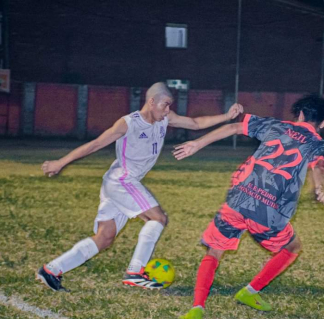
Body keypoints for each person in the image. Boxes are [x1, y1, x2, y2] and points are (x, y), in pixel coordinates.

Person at [36, 82, 243, 291]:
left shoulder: (165, 119)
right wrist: (60, 163)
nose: (168, 110)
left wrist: (226, 116)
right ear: (151, 102)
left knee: (105, 237)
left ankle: (52, 269)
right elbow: (96, 144)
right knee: (158, 218)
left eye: (170, 106)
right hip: (122, 180)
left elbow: (196, 123)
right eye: (165, 104)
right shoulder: (128, 123)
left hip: (118, 182)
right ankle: (135, 272)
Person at [173, 94, 324, 319]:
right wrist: (320, 188)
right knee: (292, 247)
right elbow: (320, 166)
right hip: (268, 212)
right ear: (323, 123)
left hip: (239, 199)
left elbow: (235, 126)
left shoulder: (275, 125)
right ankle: (250, 291)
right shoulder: (317, 143)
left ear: (301, 114)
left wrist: (196, 143)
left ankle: (197, 306)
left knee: (215, 250)